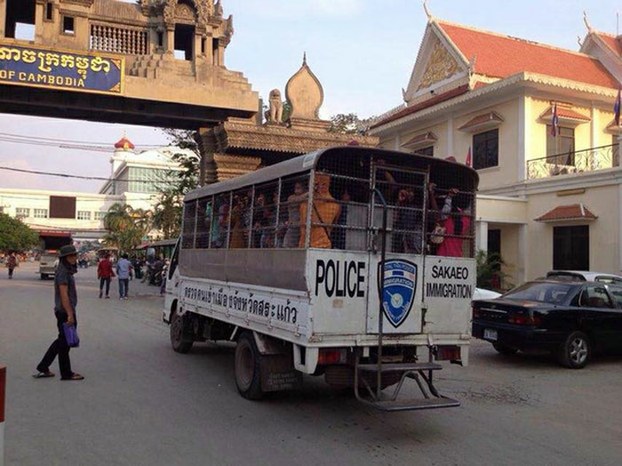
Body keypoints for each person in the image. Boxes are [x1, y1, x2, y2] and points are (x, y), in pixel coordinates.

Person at [34, 244, 84, 381]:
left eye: (75, 255)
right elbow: (64, 295)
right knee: (65, 342)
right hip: (64, 311)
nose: (75, 258)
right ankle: (66, 373)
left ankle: (44, 366)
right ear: (66, 257)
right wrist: (69, 314)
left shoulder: (66, 270)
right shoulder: (62, 272)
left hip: (63, 310)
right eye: (72, 256)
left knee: (62, 341)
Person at [299, 173, 341, 248]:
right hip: (325, 244)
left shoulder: (306, 203)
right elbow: (333, 225)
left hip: (306, 245)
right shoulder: (335, 204)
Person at [428, 183, 471, 257]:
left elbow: (436, 213)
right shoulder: (466, 220)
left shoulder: (447, 221)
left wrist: (432, 194)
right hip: (457, 256)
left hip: (442, 256)